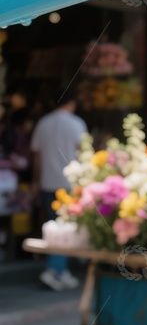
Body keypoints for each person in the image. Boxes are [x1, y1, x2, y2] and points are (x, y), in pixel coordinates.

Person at [31, 91, 87, 291]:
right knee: (65, 229)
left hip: (47, 182)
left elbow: (37, 157)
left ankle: (59, 270)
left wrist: (35, 181)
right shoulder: (76, 123)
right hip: (68, 183)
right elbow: (84, 153)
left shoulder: (43, 123)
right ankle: (55, 270)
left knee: (55, 227)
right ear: (72, 103)